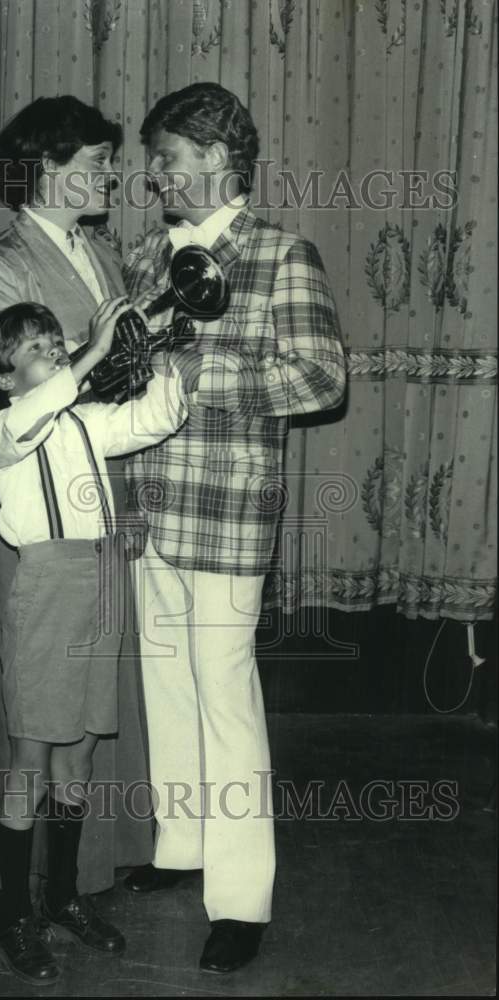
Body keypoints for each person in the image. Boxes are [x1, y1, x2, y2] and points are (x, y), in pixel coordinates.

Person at [122, 83, 347, 973]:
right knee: (166, 685)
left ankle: (242, 898)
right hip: (150, 508)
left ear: (217, 161)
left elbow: (319, 380)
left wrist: (195, 371)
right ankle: (181, 847)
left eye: (167, 160)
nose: (154, 176)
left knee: (224, 695)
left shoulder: (282, 254)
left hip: (226, 512)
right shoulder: (148, 255)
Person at [0, 98, 153, 905]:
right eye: (93, 161)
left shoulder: (100, 252)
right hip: (16, 490)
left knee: (83, 690)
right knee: (13, 675)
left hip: (93, 473)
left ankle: (76, 877)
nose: (109, 174)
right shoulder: (0, 264)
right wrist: (106, 351)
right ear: (45, 171)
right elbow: (25, 387)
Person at [0, 299, 188, 984]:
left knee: (81, 749)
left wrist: (167, 370)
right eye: (35, 348)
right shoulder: (4, 428)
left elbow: (152, 420)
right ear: (4, 378)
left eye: (50, 339)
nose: (54, 350)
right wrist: (92, 354)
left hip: (101, 580)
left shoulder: (82, 421)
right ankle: (13, 913)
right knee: (30, 753)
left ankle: (61, 896)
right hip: (47, 586)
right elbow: (35, 416)